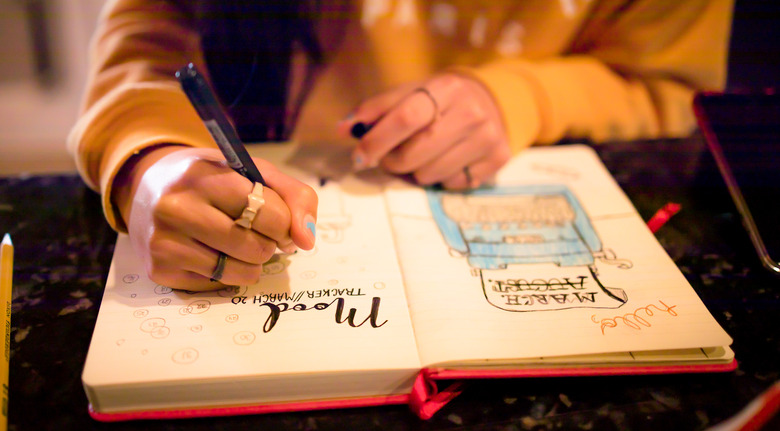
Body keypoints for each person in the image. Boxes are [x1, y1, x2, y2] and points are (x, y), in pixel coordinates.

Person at [67, 0, 734, 290]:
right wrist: (152, 162)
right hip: (283, 161)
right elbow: (153, 33)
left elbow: (666, 88)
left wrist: (521, 99)